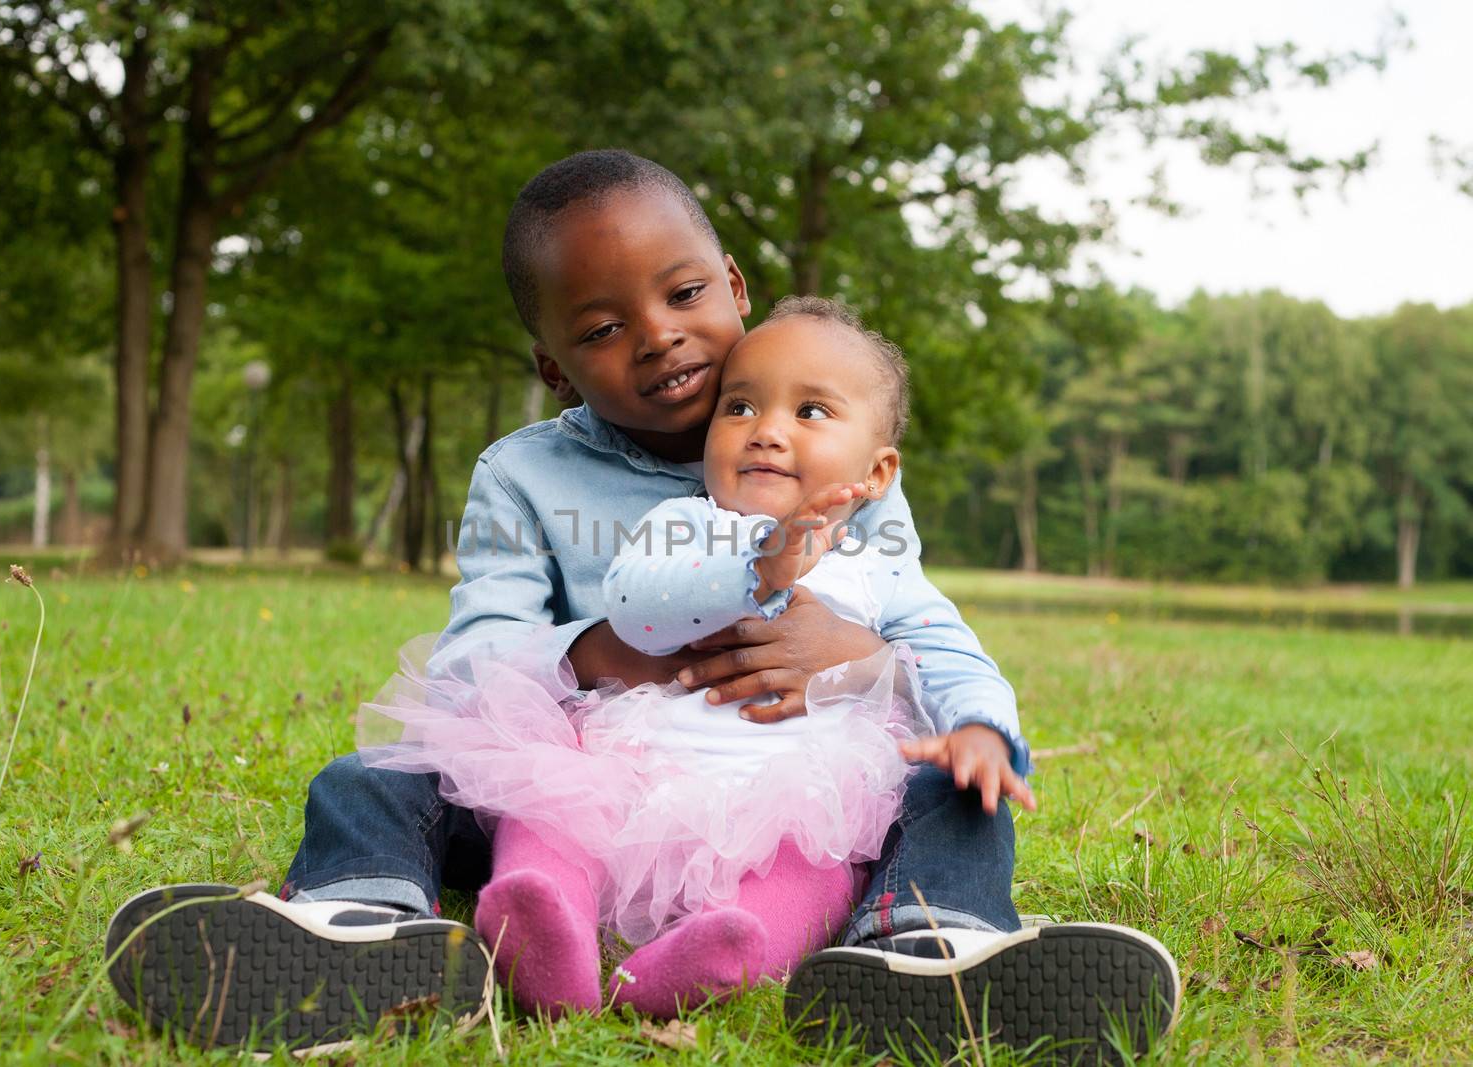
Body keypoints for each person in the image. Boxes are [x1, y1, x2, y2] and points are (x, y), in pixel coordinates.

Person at [106, 150, 1178, 1059]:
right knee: (376, 772)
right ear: (555, 368)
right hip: (587, 786)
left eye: (681, 294)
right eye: (604, 326)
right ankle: (360, 918)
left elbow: (924, 625)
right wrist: (609, 650)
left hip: (789, 791)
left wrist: (875, 664)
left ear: (735, 284)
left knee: (955, 782)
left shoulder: (837, 456)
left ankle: (925, 944)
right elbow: (474, 660)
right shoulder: (524, 475)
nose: (659, 335)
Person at [359, 295, 1025, 1019]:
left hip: (795, 799)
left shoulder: (880, 560)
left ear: (879, 469)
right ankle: (543, 918)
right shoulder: (685, 524)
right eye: (739, 408)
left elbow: (949, 650)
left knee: (819, 870)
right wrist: (759, 569)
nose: (767, 431)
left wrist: (982, 729)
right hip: (633, 770)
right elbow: (637, 604)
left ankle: (724, 953)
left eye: (810, 413)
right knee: (548, 814)